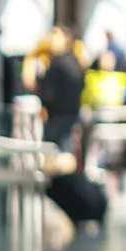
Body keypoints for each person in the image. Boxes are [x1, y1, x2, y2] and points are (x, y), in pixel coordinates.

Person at [35, 25, 87, 156]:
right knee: (67, 154)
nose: (51, 39)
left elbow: (48, 92)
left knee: (56, 156)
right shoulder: (75, 61)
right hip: (71, 116)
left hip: (57, 117)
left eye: (55, 35)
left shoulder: (58, 62)